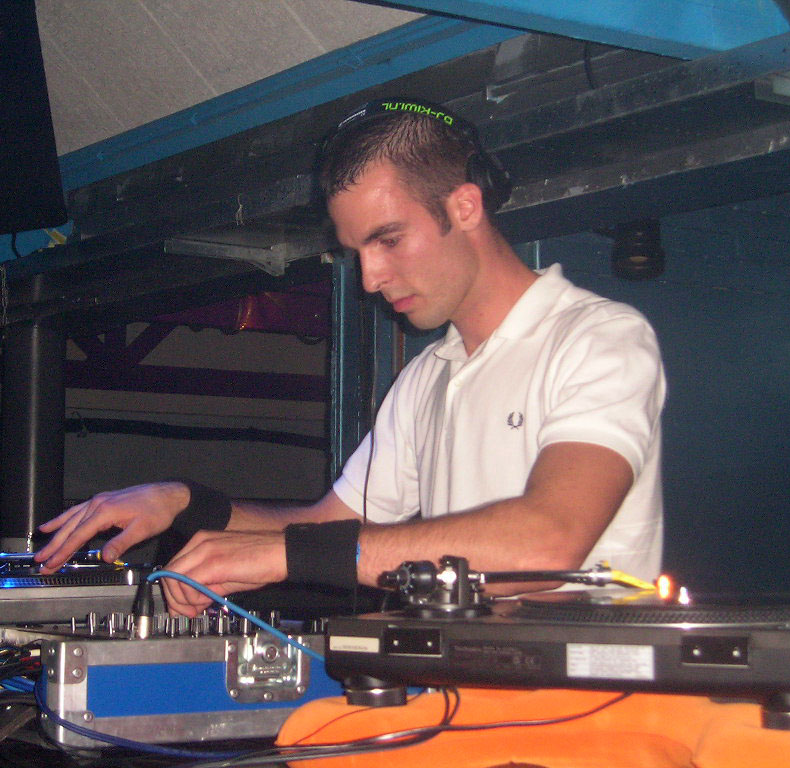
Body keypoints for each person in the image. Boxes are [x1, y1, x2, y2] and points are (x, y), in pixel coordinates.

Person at [35, 98, 666, 617]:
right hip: (460, 700)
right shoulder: (425, 378)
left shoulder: (596, 338)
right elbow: (329, 526)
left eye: (388, 240)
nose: (369, 278)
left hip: (588, 708)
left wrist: (285, 556)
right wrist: (182, 502)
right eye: (356, 252)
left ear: (465, 206)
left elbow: (549, 542)